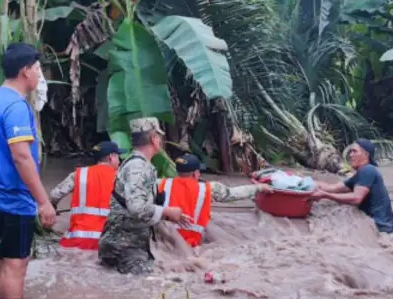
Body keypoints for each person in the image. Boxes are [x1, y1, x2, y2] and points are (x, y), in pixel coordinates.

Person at [0, 43, 56, 299]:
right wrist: (43, 202)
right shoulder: (17, 108)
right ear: (25, 71)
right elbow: (21, 157)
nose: (39, 74)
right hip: (12, 199)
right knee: (15, 264)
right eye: (37, 69)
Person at [98, 117, 189, 275]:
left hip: (128, 246)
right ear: (154, 139)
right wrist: (168, 211)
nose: (160, 141)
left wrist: (166, 216)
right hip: (125, 249)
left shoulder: (139, 165)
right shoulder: (137, 168)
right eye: (159, 137)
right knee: (172, 282)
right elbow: (137, 209)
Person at [157, 154, 273, 247]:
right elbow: (232, 194)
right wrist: (259, 187)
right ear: (196, 173)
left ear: (177, 171)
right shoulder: (208, 188)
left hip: (166, 240)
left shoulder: (161, 184)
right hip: (193, 244)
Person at [312, 138, 393, 234]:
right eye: (350, 151)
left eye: (354, 151)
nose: (351, 155)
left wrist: (325, 195)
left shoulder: (368, 170)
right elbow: (333, 188)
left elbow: (356, 198)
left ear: (366, 154)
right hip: (386, 229)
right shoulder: (359, 174)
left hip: (386, 230)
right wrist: (306, 182)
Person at [49, 141, 127, 250]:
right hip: (107, 243)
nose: (119, 161)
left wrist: (53, 207)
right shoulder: (122, 178)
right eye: (118, 157)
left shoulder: (79, 175)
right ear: (111, 157)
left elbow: (54, 195)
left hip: (76, 241)